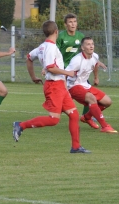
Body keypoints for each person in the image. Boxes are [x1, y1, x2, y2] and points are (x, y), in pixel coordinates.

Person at [13, 20, 90, 153]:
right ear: (56, 32)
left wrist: (33, 77)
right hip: (54, 86)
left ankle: (76, 147)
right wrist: (68, 72)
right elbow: (50, 67)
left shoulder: (42, 47)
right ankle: (21, 125)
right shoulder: (50, 47)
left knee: (74, 115)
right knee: (54, 120)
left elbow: (29, 58)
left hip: (59, 85)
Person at [64, 37, 117, 133]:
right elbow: (65, 73)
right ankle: (105, 126)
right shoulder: (76, 60)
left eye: (92, 44)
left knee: (107, 102)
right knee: (91, 98)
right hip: (73, 86)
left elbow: (95, 64)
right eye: (88, 44)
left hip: (85, 84)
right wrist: (65, 90)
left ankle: (86, 117)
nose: (91, 46)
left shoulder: (95, 56)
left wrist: (96, 77)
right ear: (83, 48)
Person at [57, 13, 89, 122]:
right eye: (70, 22)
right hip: (65, 71)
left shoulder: (81, 36)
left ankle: (86, 116)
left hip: (78, 72)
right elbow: (55, 53)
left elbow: (86, 52)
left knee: (89, 93)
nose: (73, 24)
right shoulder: (61, 36)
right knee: (64, 95)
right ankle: (55, 113)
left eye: (74, 21)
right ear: (65, 24)